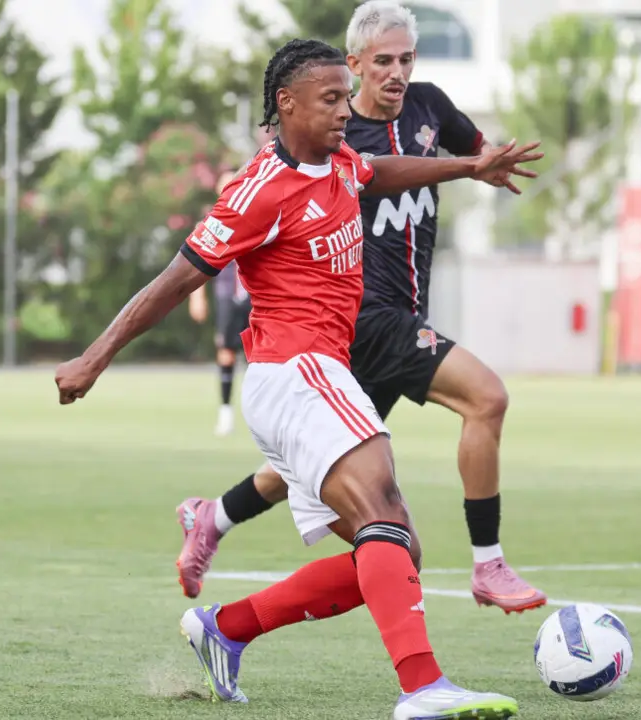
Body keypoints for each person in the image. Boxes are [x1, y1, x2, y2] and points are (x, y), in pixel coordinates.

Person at [55, 37, 540, 718]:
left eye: (347, 97)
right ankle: (423, 688)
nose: (347, 111)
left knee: (397, 552)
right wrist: (95, 356)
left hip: (315, 376)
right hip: (296, 372)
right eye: (331, 98)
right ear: (285, 104)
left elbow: (377, 170)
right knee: (385, 510)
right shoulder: (258, 190)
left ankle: (227, 629)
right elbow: (176, 279)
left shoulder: (339, 161)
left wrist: (466, 167)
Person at [174, 0, 548, 615]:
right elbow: (278, 182)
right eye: (382, 62)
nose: (396, 73)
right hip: (365, 320)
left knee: (305, 469)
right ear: (353, 65)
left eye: (406, 59)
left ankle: (212, 517)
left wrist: (485, 163)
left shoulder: (431, 107)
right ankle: (490, 564)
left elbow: (475, 154)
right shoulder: (333, 134)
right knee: (487, 397)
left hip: (392, 323)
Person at [187, 169, 252, 436]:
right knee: (225, 351)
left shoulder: (257, 214)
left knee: (259, 357)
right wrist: (197, 296)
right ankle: (225, 412)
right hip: (227, 294)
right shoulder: (212, 221)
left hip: (254, 295)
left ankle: (261, 415)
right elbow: (194, 262)